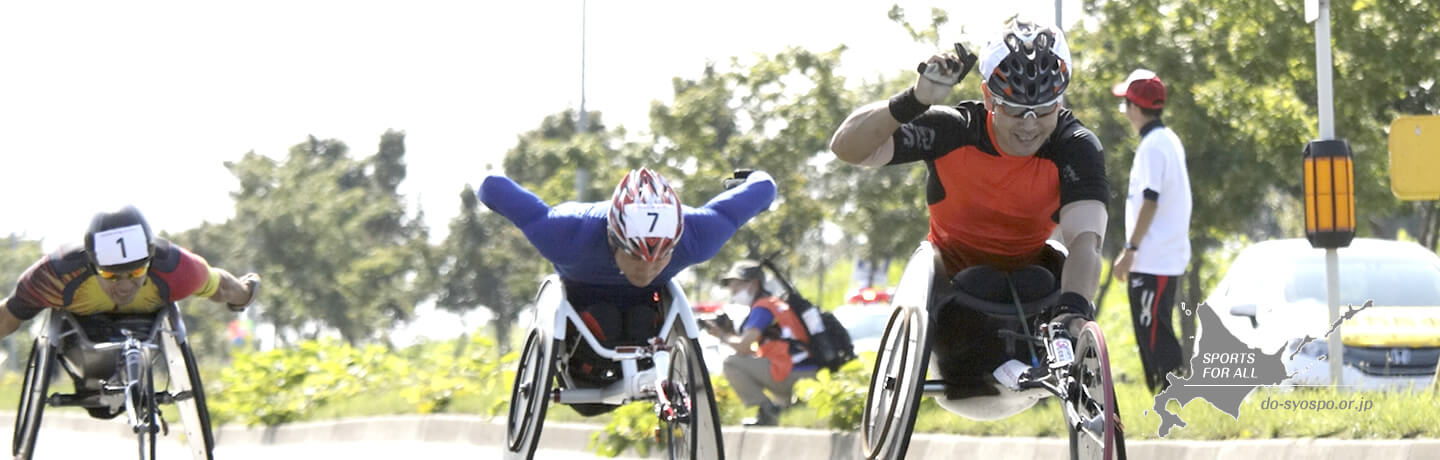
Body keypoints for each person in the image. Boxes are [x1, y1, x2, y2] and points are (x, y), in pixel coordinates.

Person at [828, 18, 1109, 418]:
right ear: (988, 97)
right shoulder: (953, 130)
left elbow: (1086, 240)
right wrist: (914, 100)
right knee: (982, 282)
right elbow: (847, 148)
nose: (1029, 125)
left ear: (1061, 100)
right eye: (1014, 109)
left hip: (1031, 289)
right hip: (952, 289)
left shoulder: (1074, 146)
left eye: (1043, 109)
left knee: (1046, 278)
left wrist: (1074, 309)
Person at [479, 168, 776, 416]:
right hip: (583, 303)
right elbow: (491, 185)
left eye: (662, 256)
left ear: (677, 242)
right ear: (612, 238)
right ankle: (583, 366)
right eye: (636, 257)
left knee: (640, 321)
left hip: (646, 307)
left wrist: (751, 178)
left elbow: (763, 190)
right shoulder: (564, 234)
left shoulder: (699, 234)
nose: (647, 269)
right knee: (603, 320)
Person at [0, 205, 261, 417]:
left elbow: (224, 286)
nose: (124, 286)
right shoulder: (54, 276)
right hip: (80, 344)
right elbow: (7, 317)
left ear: (150, 260)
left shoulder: (177, 270)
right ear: (91, 264)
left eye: (136, 272)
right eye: (111, 275)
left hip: (144, 332)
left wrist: (246, 293)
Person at [1111, 69, 1192, 392]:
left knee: (1154, 334)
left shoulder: (1153, 146)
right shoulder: (1165, 140)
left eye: (1125, 104)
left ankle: (1169, 402)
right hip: (1161, 257)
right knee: (1155, 330)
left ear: (1134, 107)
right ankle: (1167, 402)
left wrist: (1129, 251)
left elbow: (1150, 202)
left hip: (1152, 258)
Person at [705, 260, 816, 426]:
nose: (732, 290)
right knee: (740, 361)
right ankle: (783, 407)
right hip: (805, 370)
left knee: (731, 364)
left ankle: (768, 412)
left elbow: (743, 347)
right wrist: (730, 334)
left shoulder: (763, 307)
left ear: (753, 283)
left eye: (736, 285)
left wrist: (722, 335)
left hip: (791, 373)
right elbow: (756, 352)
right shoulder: (774, 304)